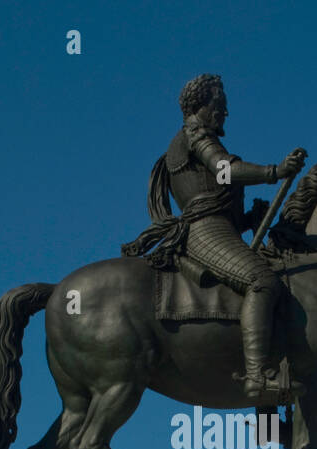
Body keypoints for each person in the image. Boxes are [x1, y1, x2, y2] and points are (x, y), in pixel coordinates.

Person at [123, 74, 306, 403]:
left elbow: (213, 191)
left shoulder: (197, 136)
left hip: (221, 227)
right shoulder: (194, 135)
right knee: (263, 282)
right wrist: (274, 172)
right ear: (199, 107)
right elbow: (225, 169)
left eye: (225, 107)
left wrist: (249, 217)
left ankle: (269, 418)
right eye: (218, 106)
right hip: (205, 231)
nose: (224, 113)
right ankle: (256, 376)